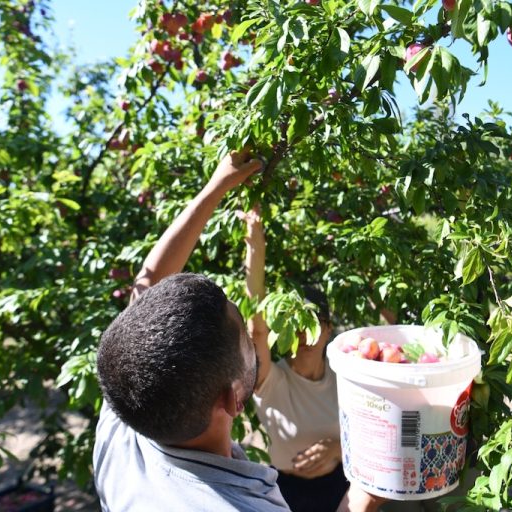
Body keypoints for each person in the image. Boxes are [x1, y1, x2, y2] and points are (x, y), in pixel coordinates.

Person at [92, 148, 386, 511]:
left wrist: (217, 185)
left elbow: (147, 285)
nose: (257, 333)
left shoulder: (124, 418)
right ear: (234, 398)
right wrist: (369, 493)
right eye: (245, 337)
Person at [240, 206, 349, 512]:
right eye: (295, 327)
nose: (305, 336)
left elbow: (374, 435)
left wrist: (338, 448)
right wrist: (255, 245)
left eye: (313, 325)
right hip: (281, 493)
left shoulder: (346, 378)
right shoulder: (271, 379)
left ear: (327, 330)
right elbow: (256, 330)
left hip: (339, 488)